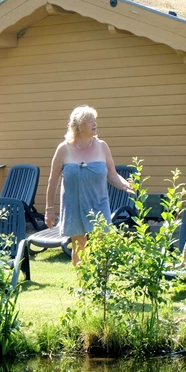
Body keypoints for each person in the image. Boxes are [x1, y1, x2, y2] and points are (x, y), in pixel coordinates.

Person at [44, 105, 133, 265]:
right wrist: (49, 210)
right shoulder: (63, 149)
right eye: (89, 120)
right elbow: (53, 181)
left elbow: (112, 175)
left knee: (103, 245)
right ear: (77, 125)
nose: (94, 123)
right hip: (74, 206)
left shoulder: (102, 146)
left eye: (95, 119)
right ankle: (83, 287)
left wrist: (126, 185)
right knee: (79, 245)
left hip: (99, 204)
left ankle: (103, 287)